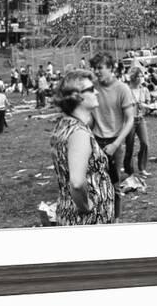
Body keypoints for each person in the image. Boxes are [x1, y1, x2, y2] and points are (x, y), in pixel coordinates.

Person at [50, 70, 115, 225]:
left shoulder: (64, 124)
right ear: (77, 96)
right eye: (91, 89)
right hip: (87, 220)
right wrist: (86, 207)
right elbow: (77, 183)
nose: (97, 92)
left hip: (70, 213)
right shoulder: (79, 133)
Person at [89, 52, 135, 220]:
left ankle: (115, 220)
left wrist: (116, 144)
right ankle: (98, 217)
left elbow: (130, 120)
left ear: (111, 68)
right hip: (95, 141)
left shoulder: (122, 89)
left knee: (114, 185)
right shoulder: (92, 88)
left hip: (114, 143)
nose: (97, 71)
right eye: (95, 68)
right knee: (94, 183)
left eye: (100, 68)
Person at [124, 67, 151, 177]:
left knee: (145, 143)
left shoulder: (144, 90)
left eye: (142, 76)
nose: (141, 78)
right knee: (129, 146)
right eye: (139, 76)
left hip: (141, 119)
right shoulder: (126, 90)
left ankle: (142, 168)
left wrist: (146, 106)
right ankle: (129, 170)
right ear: (134, 77)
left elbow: (148, 105)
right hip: (129, 121)